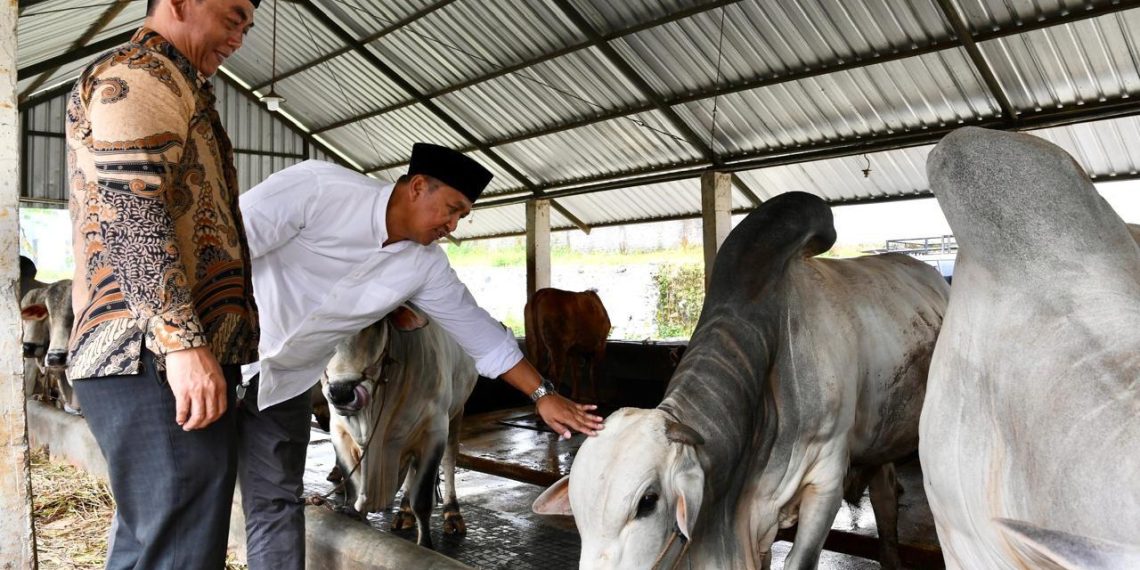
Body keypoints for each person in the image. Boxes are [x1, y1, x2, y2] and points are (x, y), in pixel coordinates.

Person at [236, 143, 605, 567]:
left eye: (462, 216)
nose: (452, 225)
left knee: (277, 504)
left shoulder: (424, 265)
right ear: (416, 187)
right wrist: (188, 348)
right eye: (451, 209)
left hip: (286, 386)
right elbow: (225, 247)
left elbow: (480, 333)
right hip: (218, 360)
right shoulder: (318, 189)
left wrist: (542, 394)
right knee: (195, 493)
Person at [64, 0, 261, 567]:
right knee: (178, 548)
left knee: (157, 542)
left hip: (154, 358)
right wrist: (183, 345)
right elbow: (134, 215)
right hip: (151, 356)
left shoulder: (176, 81)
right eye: (233, 16)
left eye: (248, 26)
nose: (240, 37)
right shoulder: (140, 76)